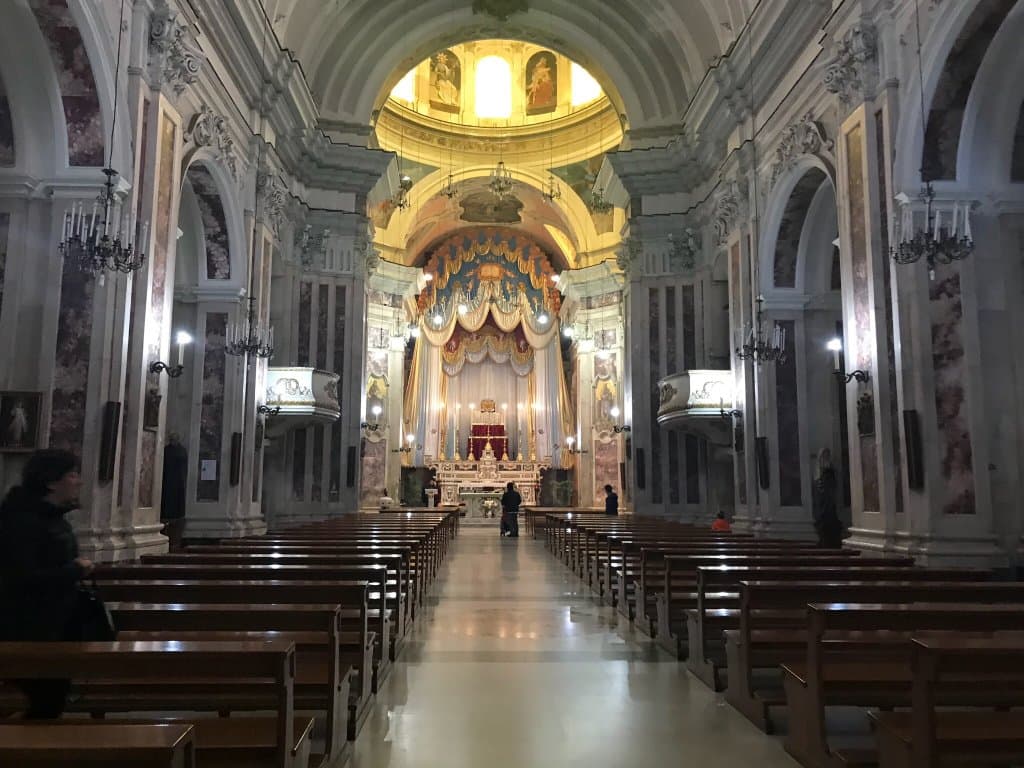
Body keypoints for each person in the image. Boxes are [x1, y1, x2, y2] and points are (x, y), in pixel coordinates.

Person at [0, 449, 92, 718]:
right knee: (42, 704)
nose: (79, 481)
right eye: (73, 475)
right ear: (51, 482)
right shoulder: (21, 521)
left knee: (49, 703)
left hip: (55, 625)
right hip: (30, 628)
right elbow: (19, 578)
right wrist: (75, 569)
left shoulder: (50, 516)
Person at [160, 433, 187, 551]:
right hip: (167, 484)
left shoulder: (181, 451)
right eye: (171, 438)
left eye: (174, 438)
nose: (172, 440)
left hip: (177, 485)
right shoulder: (165, 451)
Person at [812, 448, 843, 548]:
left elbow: (831, 491)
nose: (825, 458)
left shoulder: (830, 473)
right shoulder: (817, 475)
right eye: (823, 456)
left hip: (828, 510)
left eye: (827, 456)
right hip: (819, 510)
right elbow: (816, 493)